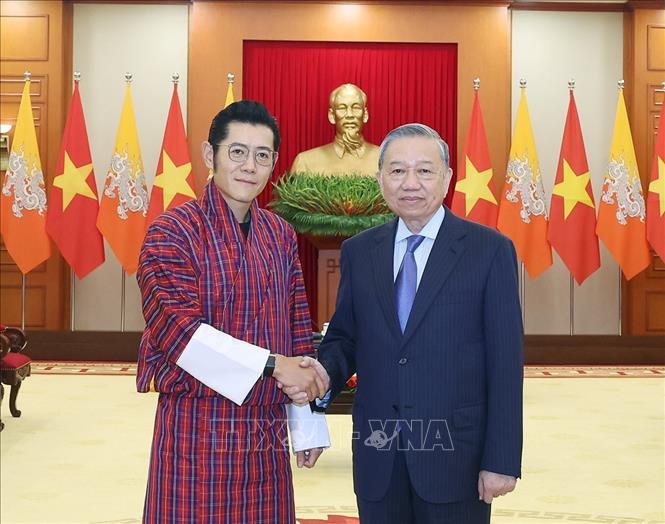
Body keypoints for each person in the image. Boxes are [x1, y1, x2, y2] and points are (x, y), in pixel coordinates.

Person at [290, 123, 523, 523]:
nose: (410, 183)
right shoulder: (360, 251)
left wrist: (501, 460)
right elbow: (345, 337)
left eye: (424, 171)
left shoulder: (489, 251)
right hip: (378, 452)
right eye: (397, 171)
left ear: (447, 178)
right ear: (380, 178)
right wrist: (323, 375)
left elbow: (505, 364)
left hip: (456, 457)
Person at [136, 100, 331, 524]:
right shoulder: (171, 232)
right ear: (210, 155)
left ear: (274, 163)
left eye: (262, 155)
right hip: (196, 428)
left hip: (265, 433)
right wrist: (273, 365)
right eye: (237, 152)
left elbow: (298, 329)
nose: (249, 166)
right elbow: (180, 336)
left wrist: (307, 425)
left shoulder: (280, 234)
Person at [290, 83, 380, 176]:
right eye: (342, 108)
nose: (350, 115)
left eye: (356, 107)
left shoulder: (385, 160)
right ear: (332, 116)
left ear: (365, 115)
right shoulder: (305, 163)